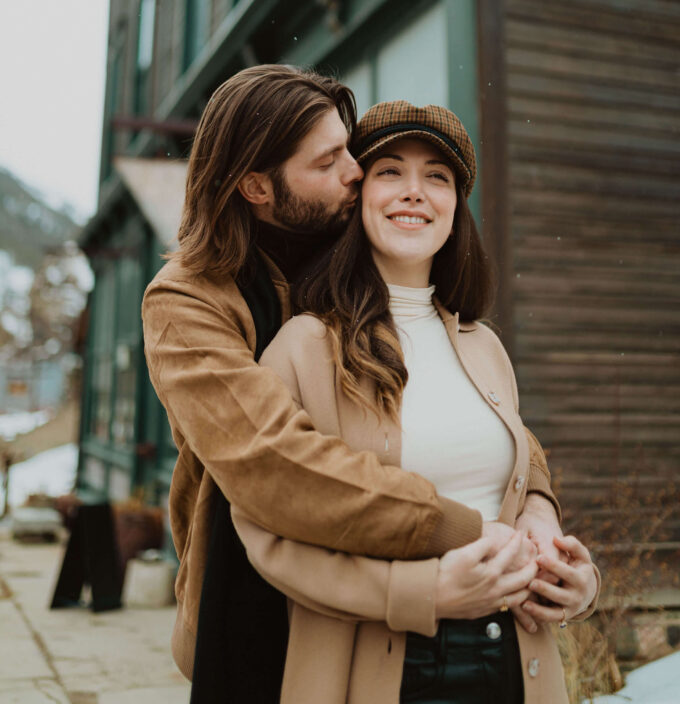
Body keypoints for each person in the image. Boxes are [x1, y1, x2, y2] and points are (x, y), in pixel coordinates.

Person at [142, 67, 564, 702]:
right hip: (257, 597)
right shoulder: (188, 303)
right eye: (331, 159)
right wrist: (469, 529)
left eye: (351, 148)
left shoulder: (348, 248)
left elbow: (467, 415)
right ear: (258, 186)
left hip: (419, 620)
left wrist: (536, 503)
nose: (358, 171)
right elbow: (277, 466)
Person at [230, 100, 600, 704]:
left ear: (456, 207)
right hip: (379, 669)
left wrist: (569, 578)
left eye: (437, 177)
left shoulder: (485, 349)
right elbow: (266, 533)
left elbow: (514, 477)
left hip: (515, 659)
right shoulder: (304, 346)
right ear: (358, 198)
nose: (414, 192)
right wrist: (421, 592)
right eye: (389, 171)